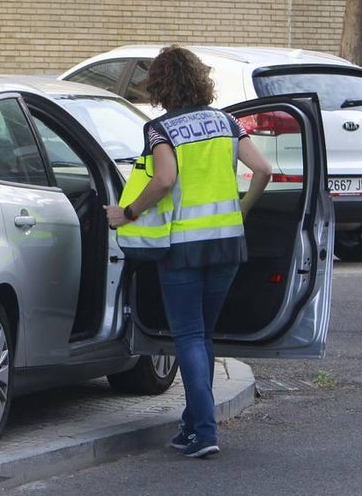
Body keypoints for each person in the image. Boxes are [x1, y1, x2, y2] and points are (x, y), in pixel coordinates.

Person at [105, 45, 272, 460]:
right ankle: (192, 426)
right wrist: (242, 210)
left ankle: (204, 431)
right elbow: (264, 170)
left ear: (160, 85)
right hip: (228, 244)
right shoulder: (226, 121)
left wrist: (127, 213)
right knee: (203, 336)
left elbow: (164, 179)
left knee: (190, 337)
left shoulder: (161, 129)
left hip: (182, 249)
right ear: (200, 80)